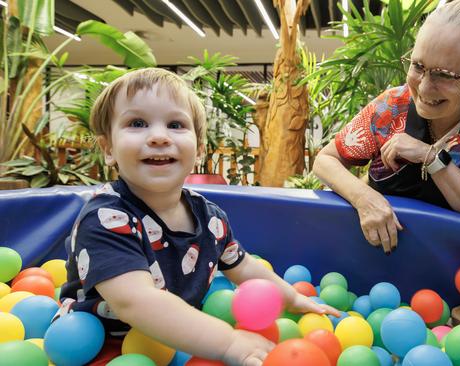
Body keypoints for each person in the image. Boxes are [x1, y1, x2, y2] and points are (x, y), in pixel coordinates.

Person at [59, 68, 338, 365]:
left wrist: (291, 297)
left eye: (176, 124)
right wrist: (230, 343)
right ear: (108, 149)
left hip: (184, 339)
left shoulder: (210, 217)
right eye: (137, 123)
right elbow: (136, 302)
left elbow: (243, 268)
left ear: (199, 150)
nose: (158, 136)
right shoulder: (106, 218)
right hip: (98, 344)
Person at [313, 0, 460, 255]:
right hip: (378, 254)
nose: (424, 88)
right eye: (418, 66)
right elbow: (326, 160)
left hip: (457, 264)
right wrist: (365, 198)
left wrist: (430, 157)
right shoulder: (391, 106)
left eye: (445, 75)